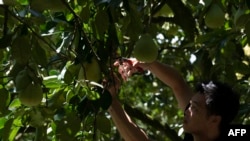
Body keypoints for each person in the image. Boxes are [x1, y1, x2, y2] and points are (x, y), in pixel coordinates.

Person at [106, 58, 240, 141]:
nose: (187, 110)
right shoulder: (204, 128)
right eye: (191, 104)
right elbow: (178, 84)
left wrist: (110, 100)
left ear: (214, 120)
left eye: (194, 108)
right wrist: (147, 63)